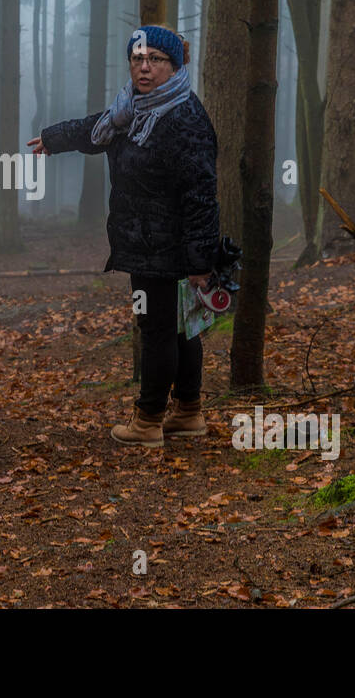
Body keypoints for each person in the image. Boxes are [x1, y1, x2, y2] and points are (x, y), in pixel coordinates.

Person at [28, 24, 221, 447]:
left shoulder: (184, 116)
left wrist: (200, 262)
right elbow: (96, 128)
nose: (145, 68)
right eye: (138, 59)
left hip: (169, 247)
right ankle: (188, 412)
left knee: (160, 330)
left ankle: (149, 420)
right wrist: (52, 138)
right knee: (179, 328)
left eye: (155, 60)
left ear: (175, 65)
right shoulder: (130, 110)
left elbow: (201, 194)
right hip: (144, 242)